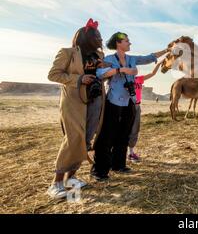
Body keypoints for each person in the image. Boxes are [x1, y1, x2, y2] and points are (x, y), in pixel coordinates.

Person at [90, 32, 168, 181]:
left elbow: (149, 57)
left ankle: (118, 164)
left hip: (129, 101)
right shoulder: (109, 59)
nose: (129, 43)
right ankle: (99, 170)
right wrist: (122, 70)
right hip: (113, 101)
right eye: (127, 41)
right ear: (118, 43)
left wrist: (167, 50)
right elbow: (100, 74)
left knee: (124, 133)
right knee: (107, 135)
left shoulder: (132, 59)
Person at [47, 19, 105, 199]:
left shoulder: (100, 56)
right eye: (98, 36)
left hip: (95, 100)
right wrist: (79, 79)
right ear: (87, 36)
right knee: (73, 139)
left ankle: (71, 179)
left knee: (86, 139)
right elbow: (53, 74)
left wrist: (103, 71)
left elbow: (99, 74)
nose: (101, 40)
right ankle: (55, 183)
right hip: (74, 101)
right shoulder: (67, 52)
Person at [128, 61, 163, 162]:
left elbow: (152, 73)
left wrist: (158, 64)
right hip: (127, 106)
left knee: (135, 129)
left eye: (135, 68)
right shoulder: (123, 79)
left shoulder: (139, 79)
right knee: (125, 129)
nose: (134, 70)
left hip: (137, 106)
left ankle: (131, 153)